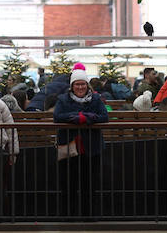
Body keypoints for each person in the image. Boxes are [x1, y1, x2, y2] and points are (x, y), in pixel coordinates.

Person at [54, 66, 108, 219]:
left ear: (87, 85)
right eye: (77, 84)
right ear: (72, 86)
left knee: (89, 185)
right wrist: (78, 116)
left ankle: (89, 216)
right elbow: (58, 116)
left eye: (83, 84)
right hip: (69, 148)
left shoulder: (96, 99)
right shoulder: (63, 99)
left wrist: (86, 118)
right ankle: (67, 216)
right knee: (68, 185)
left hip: (91, 148)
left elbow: (104, 116)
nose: (80, 87)